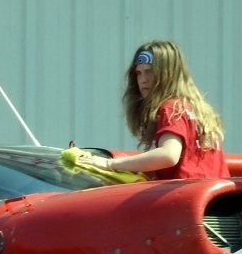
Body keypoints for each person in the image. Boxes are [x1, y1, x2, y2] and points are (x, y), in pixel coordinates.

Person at [81, 40, 227, 180]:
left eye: (149, 72)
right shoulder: (199, 109)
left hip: (187, 197)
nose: (143, 79)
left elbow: (168, 155)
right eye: (138, 73)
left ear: (168, 74)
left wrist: (110, 164)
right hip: (218, 200)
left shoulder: (170, 108)